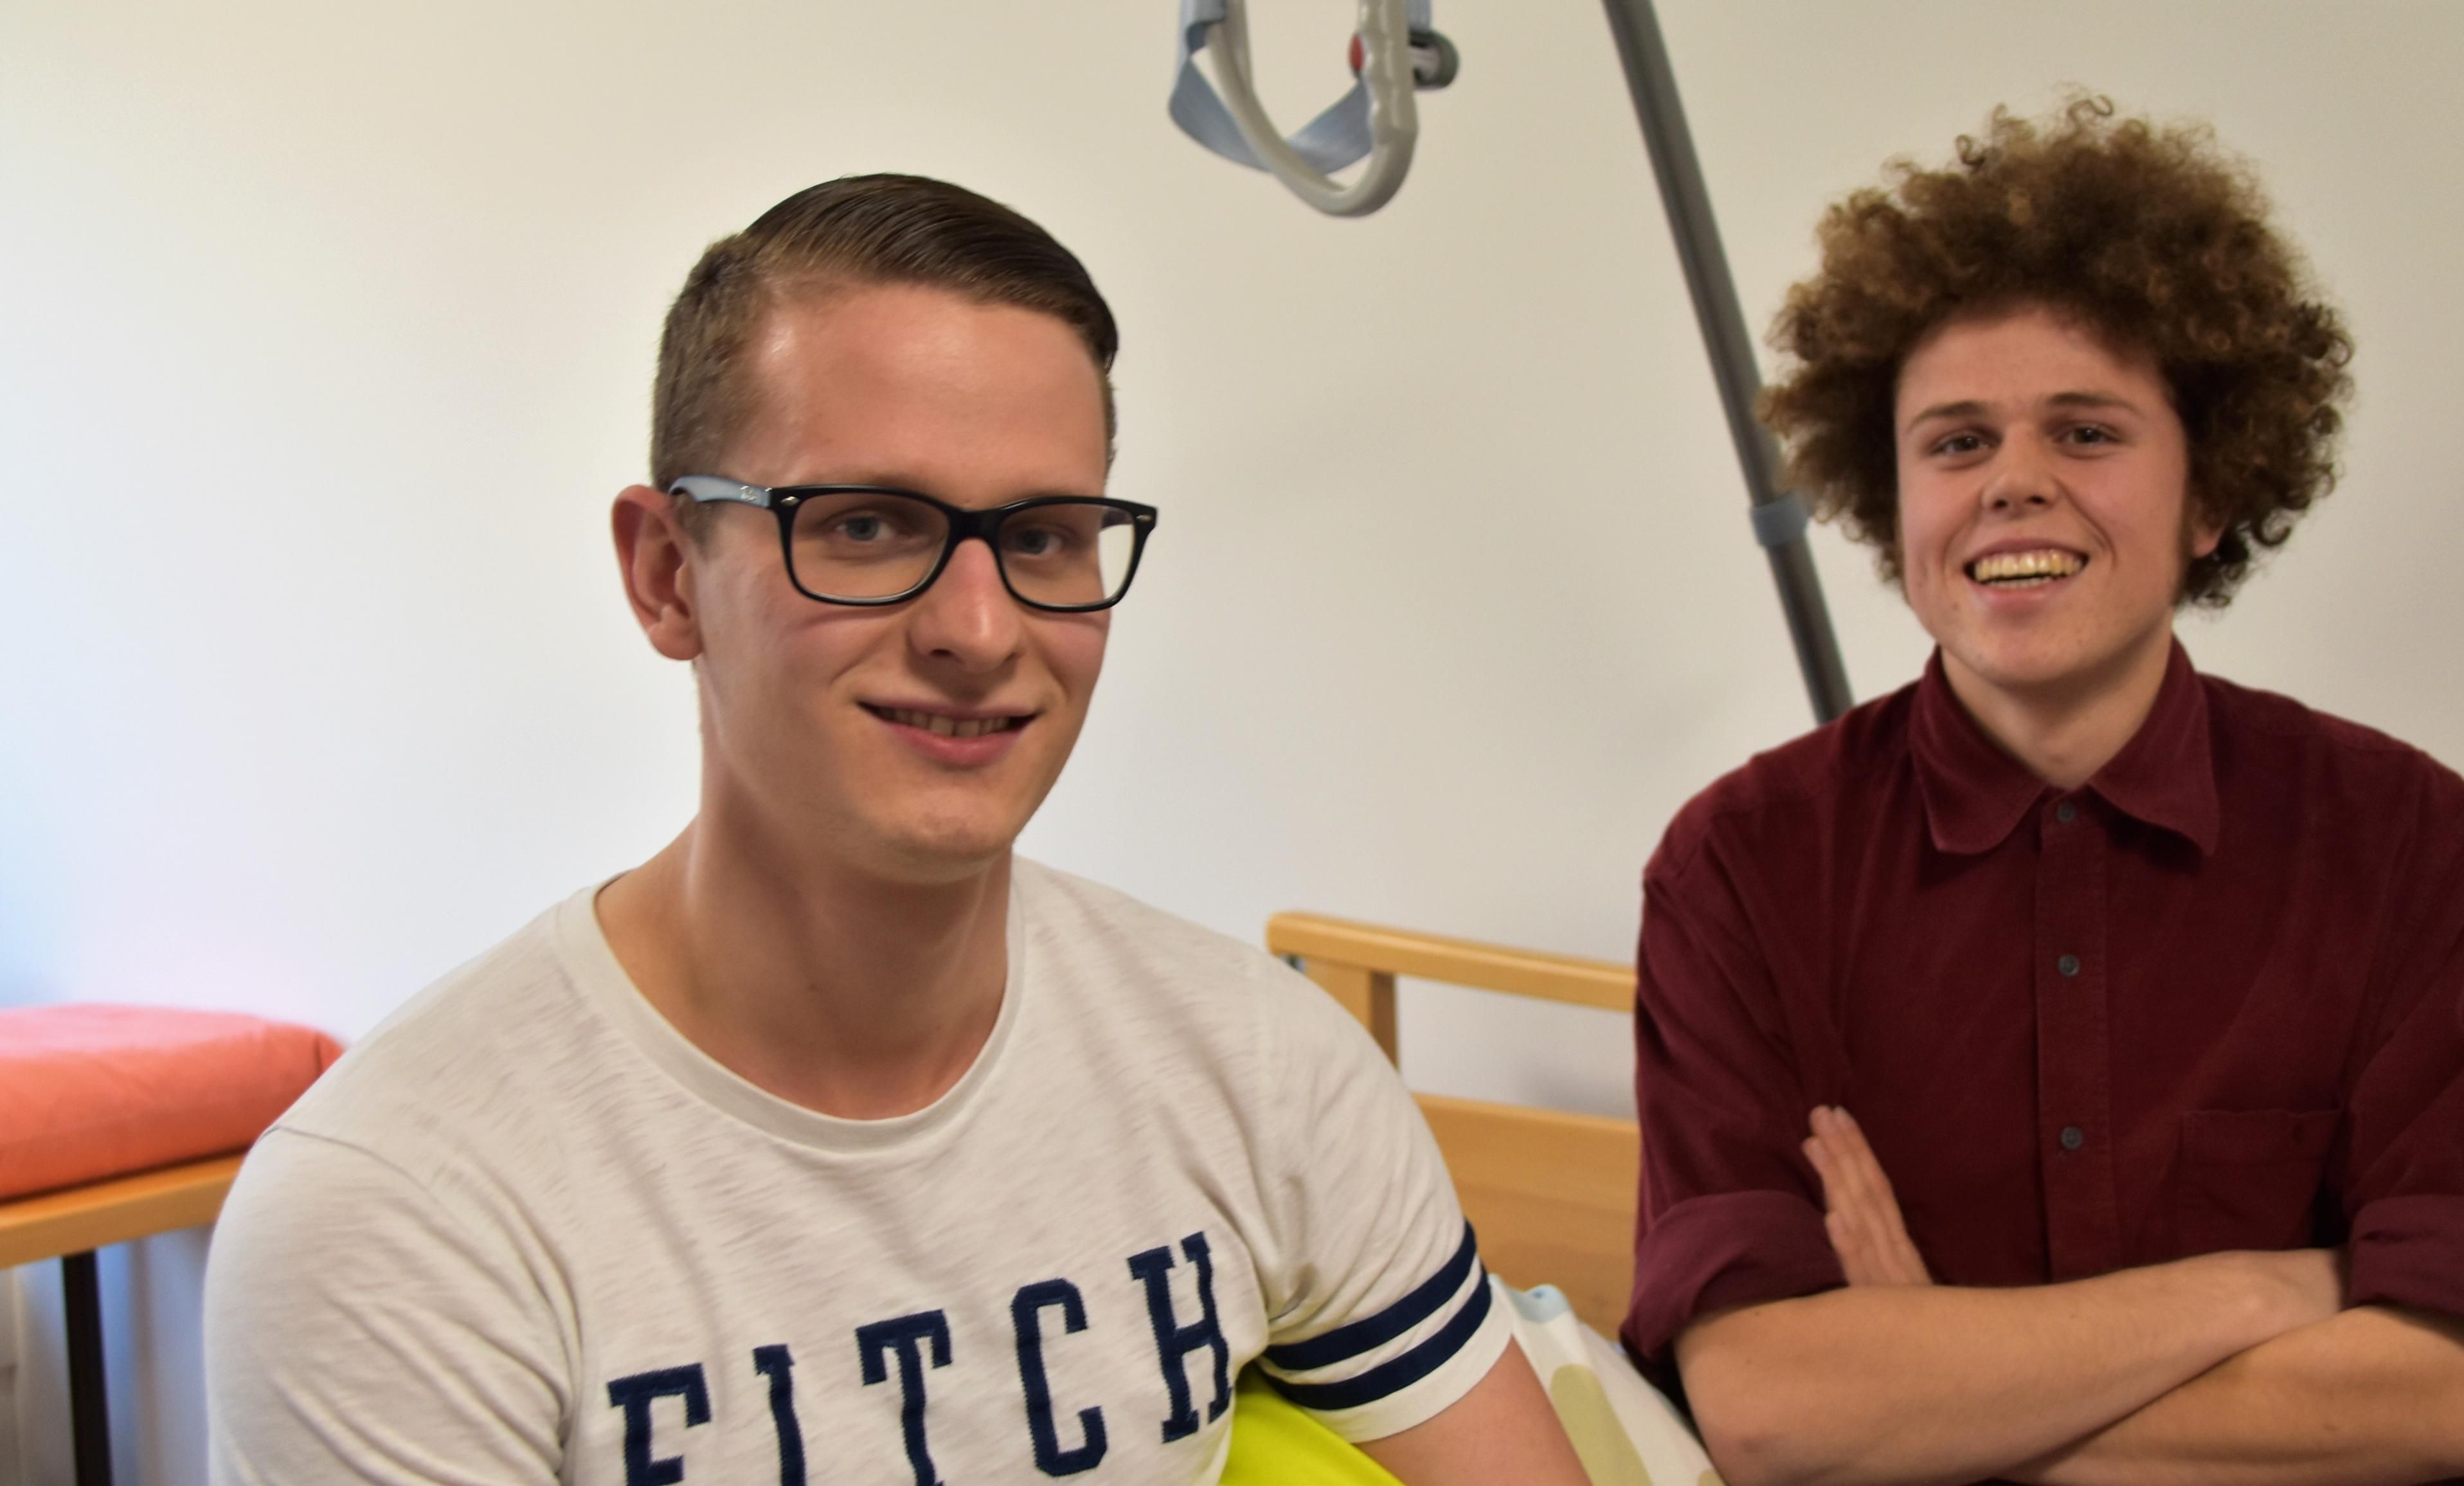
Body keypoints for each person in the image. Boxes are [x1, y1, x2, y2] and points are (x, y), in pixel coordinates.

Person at [206, 174, 1588, 1485]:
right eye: (867, 525)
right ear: (668, 573)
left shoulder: (1261, 1072)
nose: (978, 632)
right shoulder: (402, 1210)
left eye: (1043, 538)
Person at [1621, 99, 2464, 1485]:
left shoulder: (2408, 845)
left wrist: (1934, 1386)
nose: (2013, 483)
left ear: (2209, 496)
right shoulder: (1737, 867)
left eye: (2085, 432)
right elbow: (1774, 1413)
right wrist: (2271, 1287)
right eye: (1955, 443)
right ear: (1889, 502)